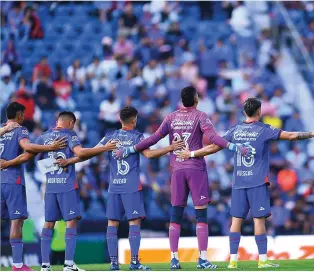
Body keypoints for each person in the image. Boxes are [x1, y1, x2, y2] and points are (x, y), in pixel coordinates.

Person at [176, 98, 314, 269]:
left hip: (239, 182)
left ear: (244, 112)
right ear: (259, 112)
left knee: (236, 221)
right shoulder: (264, 129)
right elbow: (291, 135)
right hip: (257, 183)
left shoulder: (235, 130)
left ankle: (232, 261)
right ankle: (262, 260)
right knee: (259, 221)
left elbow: (213, 147)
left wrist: (191, 154)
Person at [113, 86, 254, 269]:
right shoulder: (201, 116)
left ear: (181, 100)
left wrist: (130, 149)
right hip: (195, 168)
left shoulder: (171, 117)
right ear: (196, 100)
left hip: (177, 169)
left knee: (175, 215)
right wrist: (235, 148)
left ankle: (174, 259)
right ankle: (202, 259)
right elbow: (213, 137)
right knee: (201, 215)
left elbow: (153, 139)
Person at [1, 111, 117, 271]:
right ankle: (69, 264)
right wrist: (104, 148)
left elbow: (27, 156)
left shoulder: (44, 136)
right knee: (71, 222)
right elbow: (81, 153)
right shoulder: (70, 134)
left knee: (48, 225)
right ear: (71, 123)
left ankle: (45, 266)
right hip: (67, 186)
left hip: (50, 188)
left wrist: (7, 163)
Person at [96, 106, 185, 271]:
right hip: (131, 186)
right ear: (134, 120)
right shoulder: (137, 137)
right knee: (134, 224)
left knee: (112, 224)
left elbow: (93, 152)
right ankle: (134, 262)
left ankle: (114, 264)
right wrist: (171, 148)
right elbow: (149, 155)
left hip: (114, 186)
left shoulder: (109, 137)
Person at [0, 102, 67, 271]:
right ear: (19, 115)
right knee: (17, 221)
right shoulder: (20, 130)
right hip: (12, 180)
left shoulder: (2, 129)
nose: (24, 117)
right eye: (23, 114)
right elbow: (27, 148)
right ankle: (17, 265)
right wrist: (50, 147)